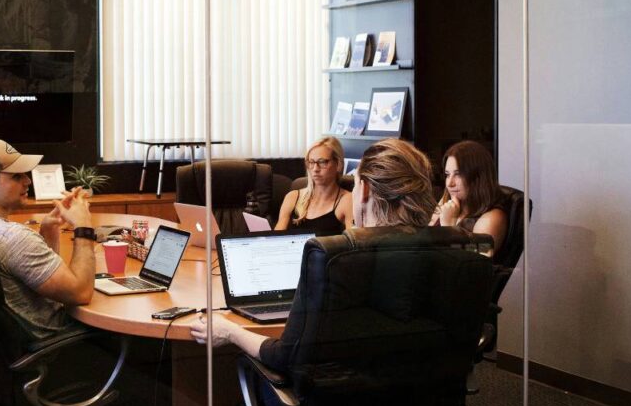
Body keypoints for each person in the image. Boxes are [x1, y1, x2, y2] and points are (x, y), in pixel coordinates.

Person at [190, 138, 435, 366]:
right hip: (430, 403)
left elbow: (285, 354)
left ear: (366, 189)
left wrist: (229, 331)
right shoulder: (452, 254)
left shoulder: (335, 265)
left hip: (337, 404)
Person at [0, 138, 97, 340]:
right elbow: (80, 293)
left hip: (11, 345)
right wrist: (83, 227)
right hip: (60, 343)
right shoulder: (13, 238)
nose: (28, 181)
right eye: (16, 176)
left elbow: (38, 277)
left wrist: (48, 230)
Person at [430, 140, 507, 256]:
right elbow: (425, 241)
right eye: (447, 175)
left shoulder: (493, 217)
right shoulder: (449, 202)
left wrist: (449, 228)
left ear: (478, 177)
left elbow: (474, 262)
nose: (449, 183)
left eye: (458, 174)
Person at [274, 137, 353, 235]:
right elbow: (275, 238)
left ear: (338, 165)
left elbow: (355, 244)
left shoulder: (348, 200)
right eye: (311, 162)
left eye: (322, 162)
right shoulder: (292, 197)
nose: (315, 169)